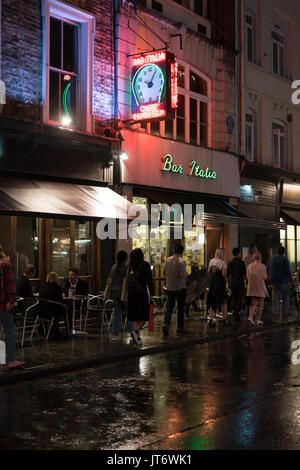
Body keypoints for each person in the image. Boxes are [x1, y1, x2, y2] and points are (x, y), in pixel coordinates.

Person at [0, 246, 25, 370]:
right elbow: (10, 285)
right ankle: (11, 361)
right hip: (3, 306)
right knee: (9, 332)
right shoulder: (5, 266)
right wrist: (12, 300)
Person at [126, 248, 153, 346]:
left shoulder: (130, 266)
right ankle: (136, 332)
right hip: (142, 293)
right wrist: (152, 294)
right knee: (144, 315)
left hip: (132, 293)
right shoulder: (145, 265)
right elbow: (150, 280)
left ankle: (136, 336)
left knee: (135, 315)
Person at [162, 244, 187, 337]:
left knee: (169, 307)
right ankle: (180, 327)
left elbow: (164, 272)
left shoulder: (167, 260)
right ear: (182, 251)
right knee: (180, 307)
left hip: (169, 287)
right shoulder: (182, 261)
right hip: (180, 287)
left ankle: (166, 323)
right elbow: (182, 275)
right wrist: (186, 275)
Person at [109, 250, 134, 341]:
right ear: (125, 258)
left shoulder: (114, 267)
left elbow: (110, 279)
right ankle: (132, 332)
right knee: (129, 312)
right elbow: (129, 280)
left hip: (114, 292)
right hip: (124, 292)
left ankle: (114, 333)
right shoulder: (126, 268)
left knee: (117, 313)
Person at [39, 272, 69, 337]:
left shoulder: (42, 286)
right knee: (68, 310)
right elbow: (60, 300)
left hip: (41, 310)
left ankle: (46, 330)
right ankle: (68, 330)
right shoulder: (56, 287)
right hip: (52, 311)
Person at [267, 246, 292, 322]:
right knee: (286, 296)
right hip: (283, 281)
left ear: (277, 251)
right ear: (283, 252)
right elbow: (288, 272)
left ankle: (275, 312)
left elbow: (267, 268)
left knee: (275, 297)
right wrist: (291, 282)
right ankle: (285, 312)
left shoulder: (272, 258)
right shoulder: (285, 260)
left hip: (273, 281)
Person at [206, 248, 229, 327]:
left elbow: (209, 272)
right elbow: (224, 275)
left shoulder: (211, 261)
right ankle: (225, 319)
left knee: (213, 300)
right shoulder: (223, 262)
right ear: (222, 254)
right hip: (220, 283)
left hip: (213, 283)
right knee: (223, 300)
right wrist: (227, 282)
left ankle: (211, 318)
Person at [246, 251, 268, 326]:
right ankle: (258, 319)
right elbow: (265, 277)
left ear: (254, 258)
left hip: (252, 287)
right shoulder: (263, 266)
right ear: (261, 257)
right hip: (260, 287)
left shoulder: (249, 266)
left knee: (253, 304)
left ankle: (250, 317)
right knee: (261, 305)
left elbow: (247, 277)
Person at [227, 248, 246, 321]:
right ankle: (236, 313)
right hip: (240, 281)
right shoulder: (242, 262)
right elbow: (244, 274)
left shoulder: (230, 262)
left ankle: (234, 311)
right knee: (239, 298)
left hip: (232, 282)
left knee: (233, 297)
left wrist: (228, 283)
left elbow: (228, 274)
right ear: (238, 253)